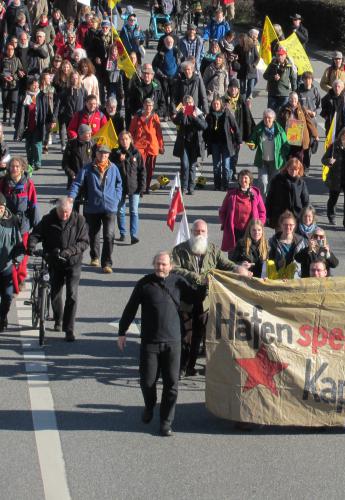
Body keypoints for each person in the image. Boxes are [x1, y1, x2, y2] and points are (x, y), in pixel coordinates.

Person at [118, 252, 202, 437]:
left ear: (170, 266)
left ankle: (166, 423)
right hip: (150, 341)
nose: (160, 268)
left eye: (164, 264)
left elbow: (197, 300)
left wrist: (211, 284)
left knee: (172, 384)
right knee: (147, 382)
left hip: (173, 342)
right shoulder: (144, 283)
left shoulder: (179, 283)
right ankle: (149, 405)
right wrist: (122, 331)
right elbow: (131, 307)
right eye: (157, 264)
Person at [171, 219, 251, 376]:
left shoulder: (213, 250)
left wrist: (239, 268)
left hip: (205, 300)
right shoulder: (180, 250)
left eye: (202, 232)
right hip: (185, 299)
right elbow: (174, 269)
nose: (199, 234)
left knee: (200, 334)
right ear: (192, 232)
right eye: (196, 231)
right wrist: (197, 277)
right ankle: (181, 366)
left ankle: (191, 366)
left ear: (207, 233)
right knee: (186, 334)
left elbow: (227, 264)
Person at [27, 197, 89, 342]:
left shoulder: (79, 220)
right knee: (55, 293)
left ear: (71, 209)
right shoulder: (48, 219)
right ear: (56, 209)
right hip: (54, 261)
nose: (64, 215)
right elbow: (36, 234)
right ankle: (58, 319)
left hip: (73, 262)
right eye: (62, 212)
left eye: (67, 212)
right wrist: (31, 244)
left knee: (72, 295)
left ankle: (69, 329)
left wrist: (69, 251)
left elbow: (84, 242)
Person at [68, 144, 123, 273]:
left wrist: (117, 197)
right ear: (96, 154)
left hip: (110, 207)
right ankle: (95, 256)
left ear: (109, 155)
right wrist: (71, 197)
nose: (103, 155)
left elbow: (119, 183)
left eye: (106, 153)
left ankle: (107, 263)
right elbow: (77, 183)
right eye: (101, 153)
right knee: (93, 234)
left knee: (109, 235)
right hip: (92, 207)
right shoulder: (87, 168)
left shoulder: (113, 168)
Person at [0, 156, 37, 292]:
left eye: (17, 166)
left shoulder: (28, 184)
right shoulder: (3, 183)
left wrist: (37, 228)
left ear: (22, 168)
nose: (14, 169)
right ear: (8, 168)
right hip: (6, 225)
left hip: (23, 226)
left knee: (21, 259)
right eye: (12, 166)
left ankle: (19, 280)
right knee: (8, 257)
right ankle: (12, 287)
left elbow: (33, 205)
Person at [219, 170, 266, 253]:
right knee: (234, 254)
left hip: (250, 230)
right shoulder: (231, 194)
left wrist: (259, 225)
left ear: (250, 180)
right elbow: (222, 211)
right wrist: (225, 223)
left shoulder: (255, 194)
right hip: (234, 230)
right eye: (241, 178)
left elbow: (262, 212)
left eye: (245, 178)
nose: (243, 180)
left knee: (249, 254)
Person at [111, 131, 145, 245]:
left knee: (134, 211)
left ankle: (133, 235)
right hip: (119, 187)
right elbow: (110, 169)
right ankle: (122, 233)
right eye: (122, 139)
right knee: (120, 211)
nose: (124, 141)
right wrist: (119, 162)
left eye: (126, 139)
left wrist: (142, 187)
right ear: (119, 141)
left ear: (130, 139)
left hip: (134, 186)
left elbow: (142, 171)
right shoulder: (115, 153)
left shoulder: (136, 153)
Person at [322, 127, 345, 227]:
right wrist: (328, 161)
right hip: (336, 178)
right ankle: (331, 216)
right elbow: (323, 159)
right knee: (333, 199)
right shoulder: (334, 146)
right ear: (340, 136)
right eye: (344, 135)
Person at [14, 77, 53, 171]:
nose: (35, 86)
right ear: (29, 86)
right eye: (33, 84)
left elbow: (48, 109)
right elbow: (19, 112)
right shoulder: (24, 96)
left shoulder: (42, 95)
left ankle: (37, 162)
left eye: (37, 84)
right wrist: (17, 125)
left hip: (39, 125)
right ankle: (30, 162)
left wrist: (51, 120)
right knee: (28, 146)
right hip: (27, 125)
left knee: (37, 144)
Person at [248, 108, 288, 198]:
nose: (267, 120)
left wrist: (284, 156)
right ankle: (262, 202)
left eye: (269, 118)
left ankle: (271, 203)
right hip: (262, 161)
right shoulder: (259, 129)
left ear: (273, 119)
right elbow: (252, 141)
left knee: (274, 184)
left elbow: (286, 145)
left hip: (276, 162)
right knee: (263, 182)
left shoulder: (279, 130)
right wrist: (252, 145)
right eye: (265, 118)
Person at [172, 94, 207, 195]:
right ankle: (184, 187)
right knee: (184, 165)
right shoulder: (181, 112)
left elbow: (204, 126)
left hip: (195, 144)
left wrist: (195, 117)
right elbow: (176, 122)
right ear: (183, 104)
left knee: (192, 166)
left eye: (190, 103)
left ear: (193, 104)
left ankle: (191, 187)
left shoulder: (198, 113)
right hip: (184, 143)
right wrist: (182, 114)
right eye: (186, 103)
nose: (188, 105)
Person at [203, 96, 240, 190]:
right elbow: (205, 130)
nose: (216, 105)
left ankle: (225, 185)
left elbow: (235, 126)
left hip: (226, 144)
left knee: (226, 166)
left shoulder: (227, 114)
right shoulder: (209, 116)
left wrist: (238, 140)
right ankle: (217, 185)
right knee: (216, 165)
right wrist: (205, 141)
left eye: (217, 104)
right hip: (214, 144)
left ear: (221, 104)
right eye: (214, 104)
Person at [129, 98, 165, 194]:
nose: (148, 107)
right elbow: (131, 132)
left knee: (150, 169)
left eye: (150, 106)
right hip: (139, 146)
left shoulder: (155, 117)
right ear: (143, 106)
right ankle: (140, 187)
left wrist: (161, 146)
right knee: (140, 168)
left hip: (152, 146)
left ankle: (146, 187)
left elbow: (159, 133)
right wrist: (130, 145)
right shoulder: (136, 117)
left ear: (153, 107)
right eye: (146, 105)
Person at [265, 158, 309, 229]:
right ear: (287, 168)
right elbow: (270, 197)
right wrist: (267, 214)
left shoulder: (301, 183)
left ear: (299, 170)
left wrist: (305, 214)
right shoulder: (277, 180)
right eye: (291, 169)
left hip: (296, 216)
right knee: (280, 236)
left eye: (296, 170)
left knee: (293, 237)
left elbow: (305, 200)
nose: (293, 172)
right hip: (279, 215)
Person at [279, 91, 319, 168]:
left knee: (300, 158)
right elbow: (279, 123)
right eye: (291, 98)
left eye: (295, 98)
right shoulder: (283, 109)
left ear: (297, 100)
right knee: (289, 158)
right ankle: (289, 172)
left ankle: (298, 174)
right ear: (288, 99)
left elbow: (309, 122)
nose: (293, 100)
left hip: (300, 139)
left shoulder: (302, 109)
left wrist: (315, 135)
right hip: (288, 138)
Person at [0, 194, 22, 331]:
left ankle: (2, 316)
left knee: (7, 297)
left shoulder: (12, 221)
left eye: (1, 207)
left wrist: (16, 259)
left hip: (6, 267)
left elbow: (18, 244)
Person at [225, 79, 254, 177]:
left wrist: (249, 137)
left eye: (235, 88)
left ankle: (232, 170)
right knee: (227, 154)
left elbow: (248, 119)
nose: (233, 89)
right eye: (231, 87)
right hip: (226, 133)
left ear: (238, 89)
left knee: (235, 155)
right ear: (228, 88)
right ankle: (227, 172)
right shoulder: (223, 100)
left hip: (238, 133)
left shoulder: (241, 101)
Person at [267, 211, 308, 279]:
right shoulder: (273, 241)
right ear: (281, 225)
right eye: (285, 224)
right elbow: (268, 260)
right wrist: (277, 264)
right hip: (277, 276)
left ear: (294, 225)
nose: (288, 227)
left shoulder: (301, 242)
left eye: (291, 225)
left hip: (295, 276)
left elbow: (305, 262)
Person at [127, 64, 167, 129]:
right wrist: (137, 114)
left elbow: (162, 103)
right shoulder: (136, 86)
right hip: (140, 119)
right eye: (144, 73)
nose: (146, 75)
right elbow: (131, 102)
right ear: (142, 74)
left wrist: (156, 114)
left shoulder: (157, 85)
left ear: (152, 75)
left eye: (148, 73)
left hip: (153, 120)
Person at [54, 71, 86, 152]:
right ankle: (68, 148)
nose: (74, 80)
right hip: (69, 116)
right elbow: (59, 102)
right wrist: (56, 116)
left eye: (76, 78)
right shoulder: (66, 90)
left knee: (79, 134)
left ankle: (77, 150)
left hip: (80, 116)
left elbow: (86, 101)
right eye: (73, 78)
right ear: (70, 79)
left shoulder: (82, 90)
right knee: (70, 135)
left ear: (78, 79)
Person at [62, 123, 93, 190]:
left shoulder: (92, 144)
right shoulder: (71, 144)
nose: (90, 135)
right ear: (81, 134)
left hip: (89, 178)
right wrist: (71, 174)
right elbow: (65, 163)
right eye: (88, 133)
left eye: (91, 133)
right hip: (75, 178)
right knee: (76, 199)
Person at [265, 46, 296, 112]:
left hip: (284, 94)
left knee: (283, 114)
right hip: (273, 93)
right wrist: (273, 77)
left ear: (285, 55)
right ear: (276, 55)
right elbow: (265, 76)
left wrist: (294, 91)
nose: (280, 57)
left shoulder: (289, 66)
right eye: (278, 55)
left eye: (281, 55)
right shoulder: (272, 64)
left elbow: (293, 79)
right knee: (271, 113)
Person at [1, 42, 23, 125]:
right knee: (5, 100)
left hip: (14, 84)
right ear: (6, 50)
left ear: (14, 50)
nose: (10, 51)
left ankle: (10, 117)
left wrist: (13, 77)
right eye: (8, 49)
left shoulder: (17, 60)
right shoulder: (3, 60)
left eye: (12, 49)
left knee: (13, 101)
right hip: (5, 84)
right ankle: (5, 113)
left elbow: (21, 72)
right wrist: (3, 77)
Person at [234, 30, 260, 102]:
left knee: (250, 87)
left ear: (244, 41)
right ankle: (243, 100)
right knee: (242, 87)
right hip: (242, 69)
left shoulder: (252, 47)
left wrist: (254, 64)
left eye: (241, 41)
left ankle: (247, 99)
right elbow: (233, 55)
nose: (239, 42)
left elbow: (257, 57)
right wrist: (234, 58)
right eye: (239, 40)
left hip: (251, 69)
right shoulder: (237, 47)